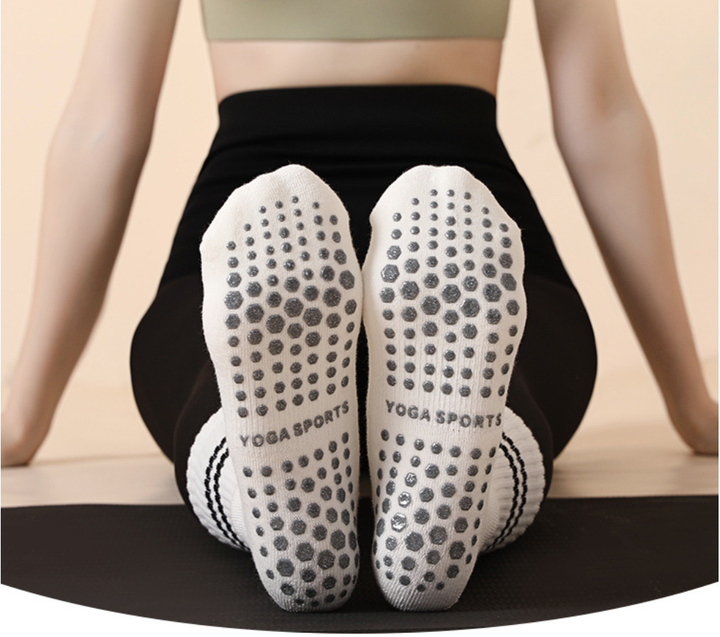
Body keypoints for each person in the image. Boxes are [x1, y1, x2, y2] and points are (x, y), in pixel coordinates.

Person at [2, 0, 717, 614]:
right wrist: (690, 403)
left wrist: (23, 416)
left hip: (449, 233)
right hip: (288, 234)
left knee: (213, 381)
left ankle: (260, 504)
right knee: (503, 386)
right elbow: (603, 114)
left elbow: (101, 124)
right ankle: (469, 506)